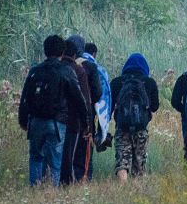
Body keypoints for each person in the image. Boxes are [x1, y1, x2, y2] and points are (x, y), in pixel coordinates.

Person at [17, 35, 88, 187]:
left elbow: (25, 98)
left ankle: (35, 193)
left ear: (45, 50)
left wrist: (23, 121)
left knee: (36, 157)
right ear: (63, 52)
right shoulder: (67, 71)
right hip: (57, 122)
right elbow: (79, 99)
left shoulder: (35, 71)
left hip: (35, 122)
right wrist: (86, 123)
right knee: (55, 162)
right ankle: (50, 194)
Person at [110, 53, 159, 181]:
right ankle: (137, 192)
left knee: (122, 160)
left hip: (122, 127)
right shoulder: (149, 82)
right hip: (141, 128)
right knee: (139, 161)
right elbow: (155, 107)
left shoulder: (116, 82)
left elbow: (109, 108)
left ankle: (123, 189)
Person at [66, 34, 103, 182]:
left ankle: (65, 183)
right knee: (85, 153)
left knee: (67, 153)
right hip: (86, 116)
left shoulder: (63, 64)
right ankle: (84, 183)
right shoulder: (90, 66)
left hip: (64, 117)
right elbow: (98, 93)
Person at [60, 40, 94, 185]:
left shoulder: (55, 68)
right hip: (74, 121)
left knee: (55, 156)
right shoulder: (80, 69)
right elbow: (85, 99)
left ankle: (47, 185)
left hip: (54, 118)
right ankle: (72, 184)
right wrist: (88, 123)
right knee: (73, 155)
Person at [83, 42, 113, 158]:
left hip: (69, 116)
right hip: (89, 113)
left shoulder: (73, 65)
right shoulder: (99, 70)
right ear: (94, 54)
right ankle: (87, 175)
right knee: (86, 150)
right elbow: (103, 97)